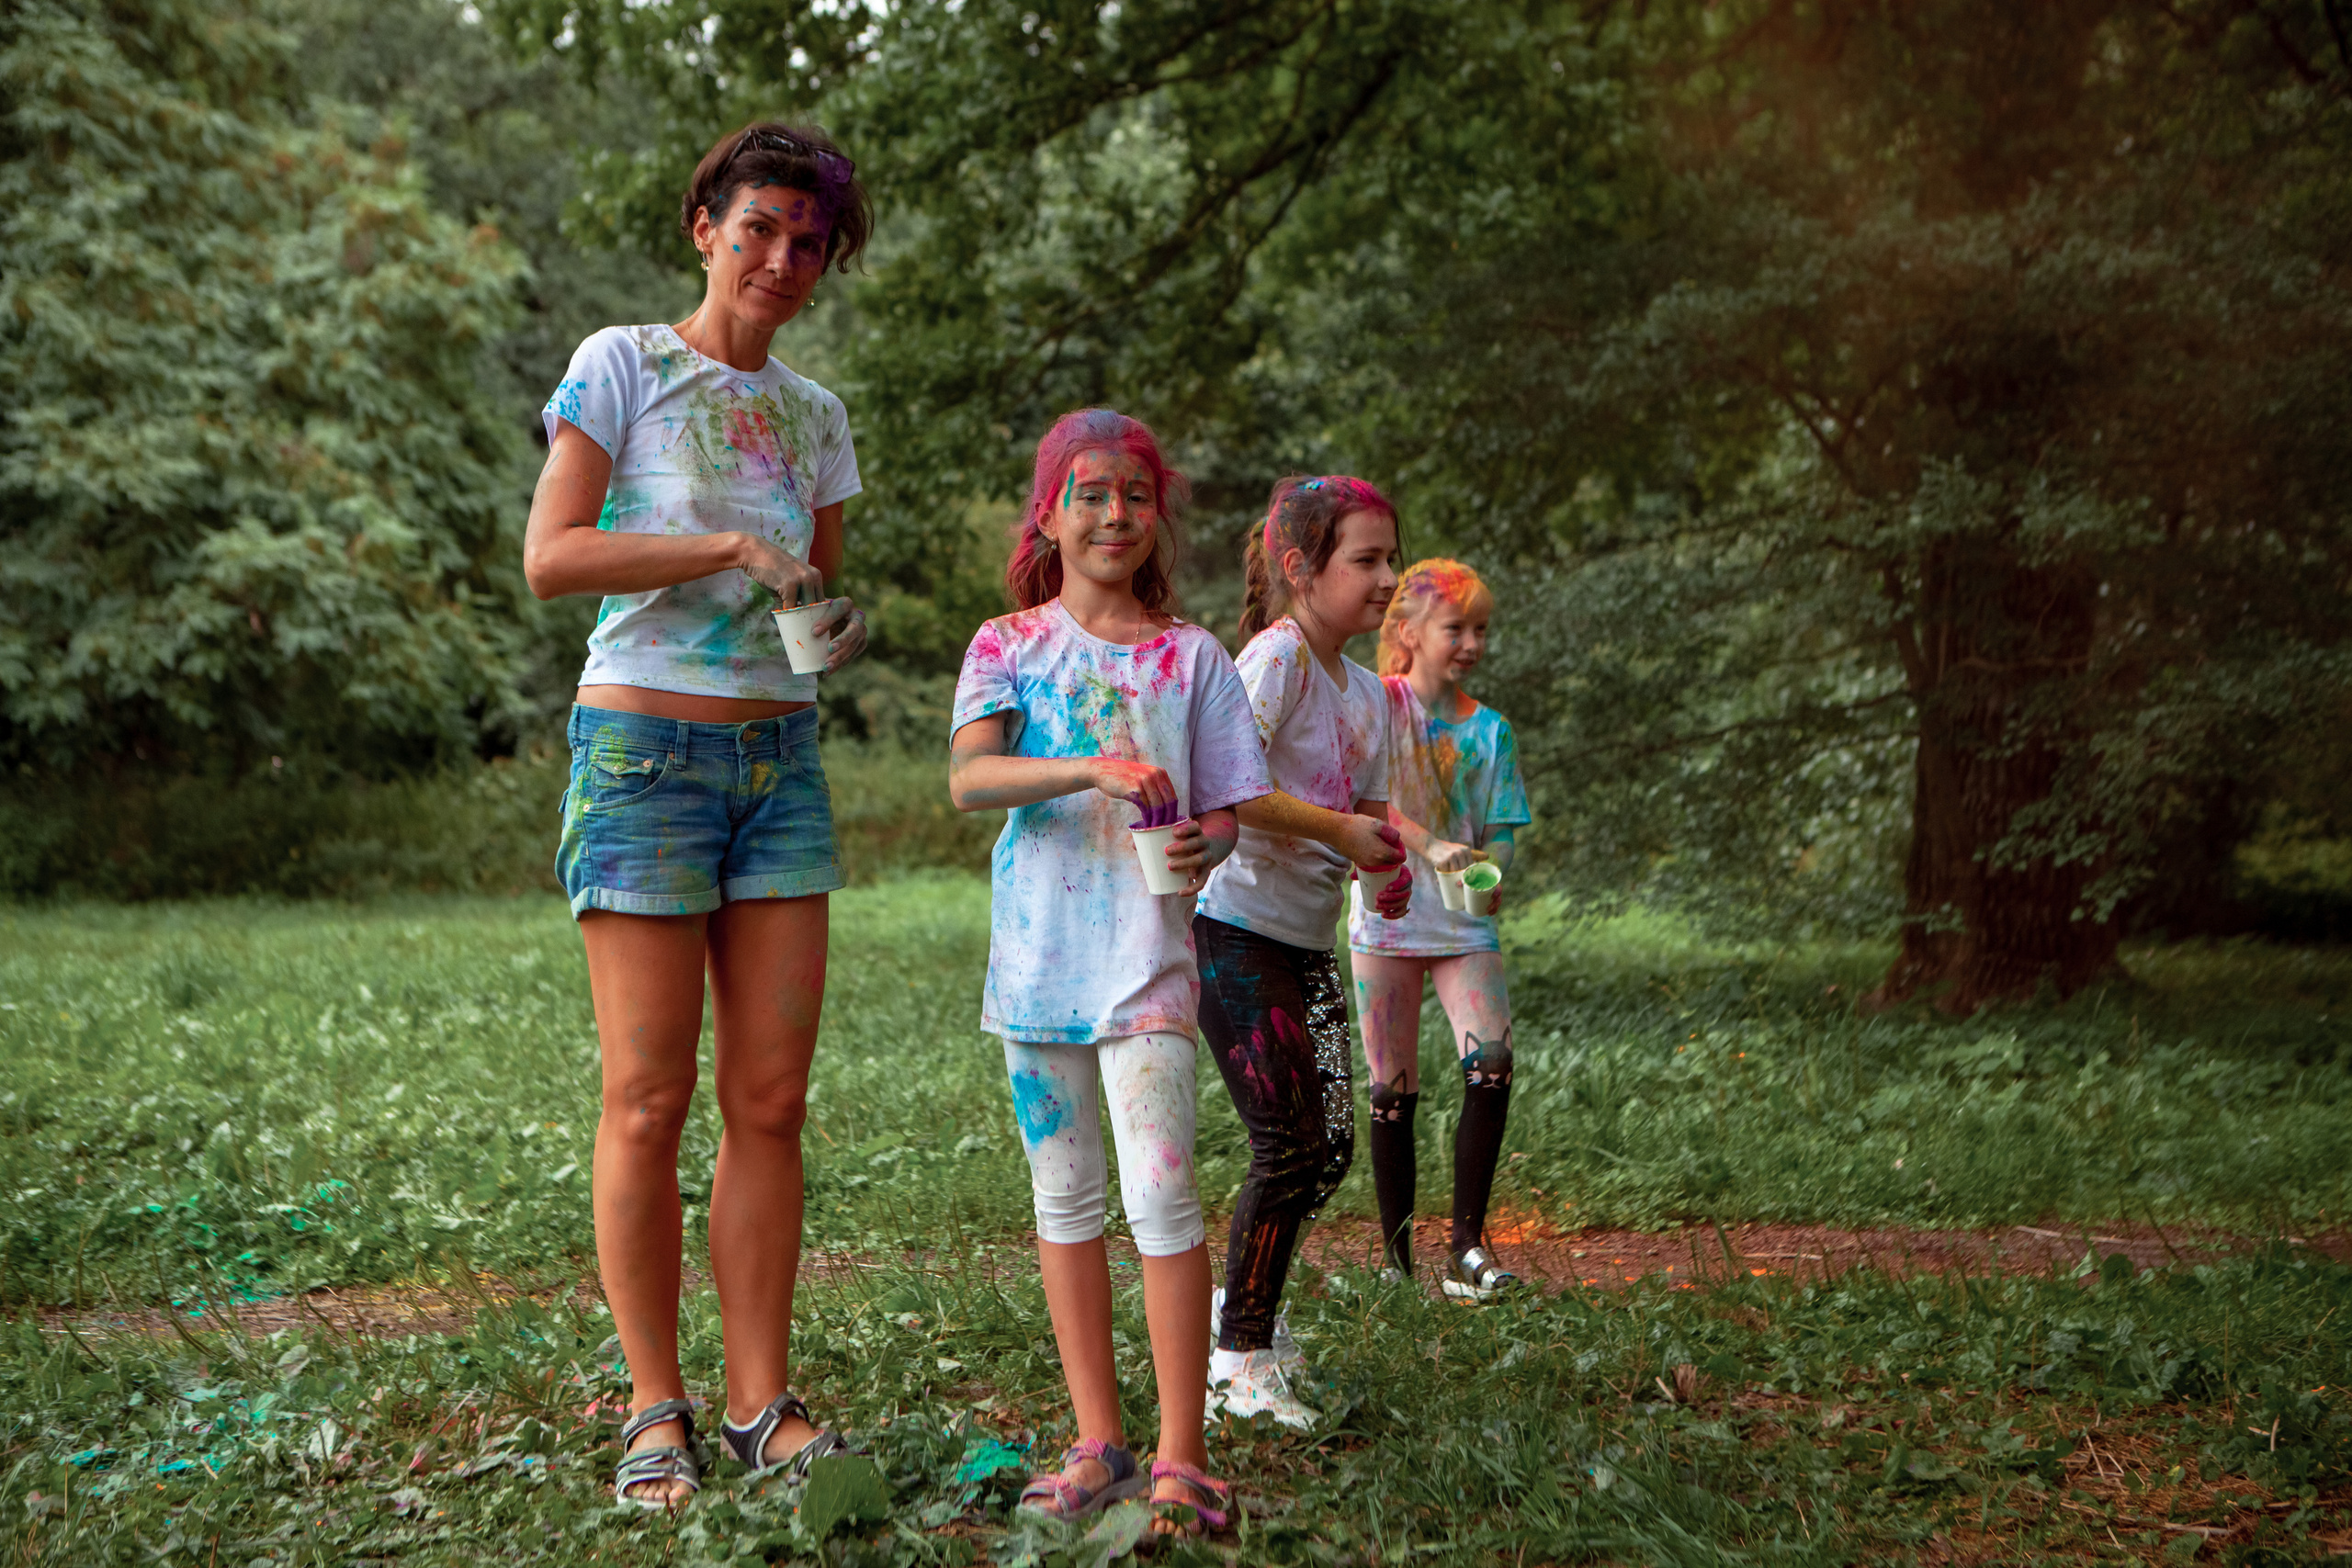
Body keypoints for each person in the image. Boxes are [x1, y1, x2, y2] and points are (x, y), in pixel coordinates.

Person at [522, 121, 876, 1508]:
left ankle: (758, 1406)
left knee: (771, 1099)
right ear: (704, 225)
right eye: (761, 230)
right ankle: (652, 1407)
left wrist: (821, 621)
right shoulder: (623, 364)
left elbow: (816, 601)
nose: (785, 260)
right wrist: (729, 543)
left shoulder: (818, 415)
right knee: (649, 1095)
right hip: (643, 756)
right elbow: (553, 557)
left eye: (810, 243)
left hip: (779, 766)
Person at [947, 409, 1267, 1538]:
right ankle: (1099, 1439)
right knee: (1065, 1200)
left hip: (1148, 965)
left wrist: (1204, 845)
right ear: (1050, 511)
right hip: (1036, 967)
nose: (1113, 513)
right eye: (1089, 491)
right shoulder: (1007, 646)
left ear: (1155, 515)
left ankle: (1184, 1452)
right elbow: (970, 781)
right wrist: (1087, 766)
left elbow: (1225, 812)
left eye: (1134, 493)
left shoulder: (1194, 660)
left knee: (1164, 1195)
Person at [1193, 476, 1414, 1429]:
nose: (1387, 579)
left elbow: (1365, 816)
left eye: (1390, 558)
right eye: (1365, 560)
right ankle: (1239, 1353)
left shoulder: (1369, 694)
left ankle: (1241, 1306)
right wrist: (1340, 833)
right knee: (1287, 1144)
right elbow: (1229, 787)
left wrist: (1387, 865)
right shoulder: (1275, 660)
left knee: (1327, 1152)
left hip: (1307, 945)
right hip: (1233, 931)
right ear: (1299, 567)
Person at [1350, 559, 1532, 1301]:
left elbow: (1504, 830)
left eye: (1480, 628)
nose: (1472, 642)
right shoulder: (1376, 705)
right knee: (1392, 1088)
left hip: (1464, 927)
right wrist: (1428, 847)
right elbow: (1363, 801)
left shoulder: (1492, 731)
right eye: (1456, 627)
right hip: (1385, 916)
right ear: (1408, 632)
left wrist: (1493, 869)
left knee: (1492, 1064)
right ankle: (1395, 1264)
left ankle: (1467, 1247)